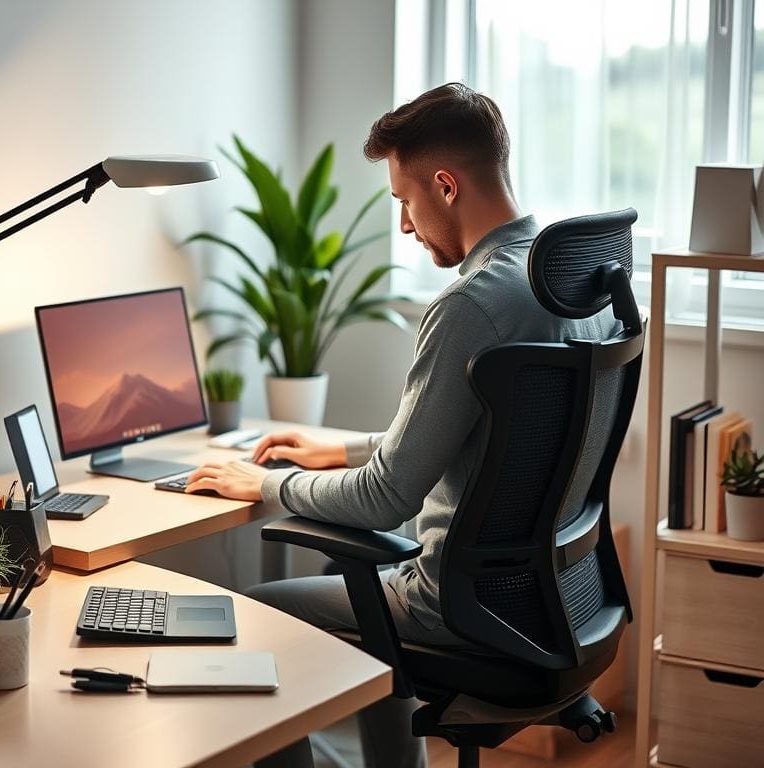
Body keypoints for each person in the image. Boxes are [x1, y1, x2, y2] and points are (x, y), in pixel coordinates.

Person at [185, 83, 621, 768]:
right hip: (555, 601)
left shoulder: (472, 305)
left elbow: (386, 499)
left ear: (445, 186)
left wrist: (268, 485)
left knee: (249, 617)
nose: (405, 227)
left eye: (403, 202)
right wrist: (344, 447)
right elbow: (491, 441)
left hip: (461, 610)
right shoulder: (570, 280)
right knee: (345, 568)